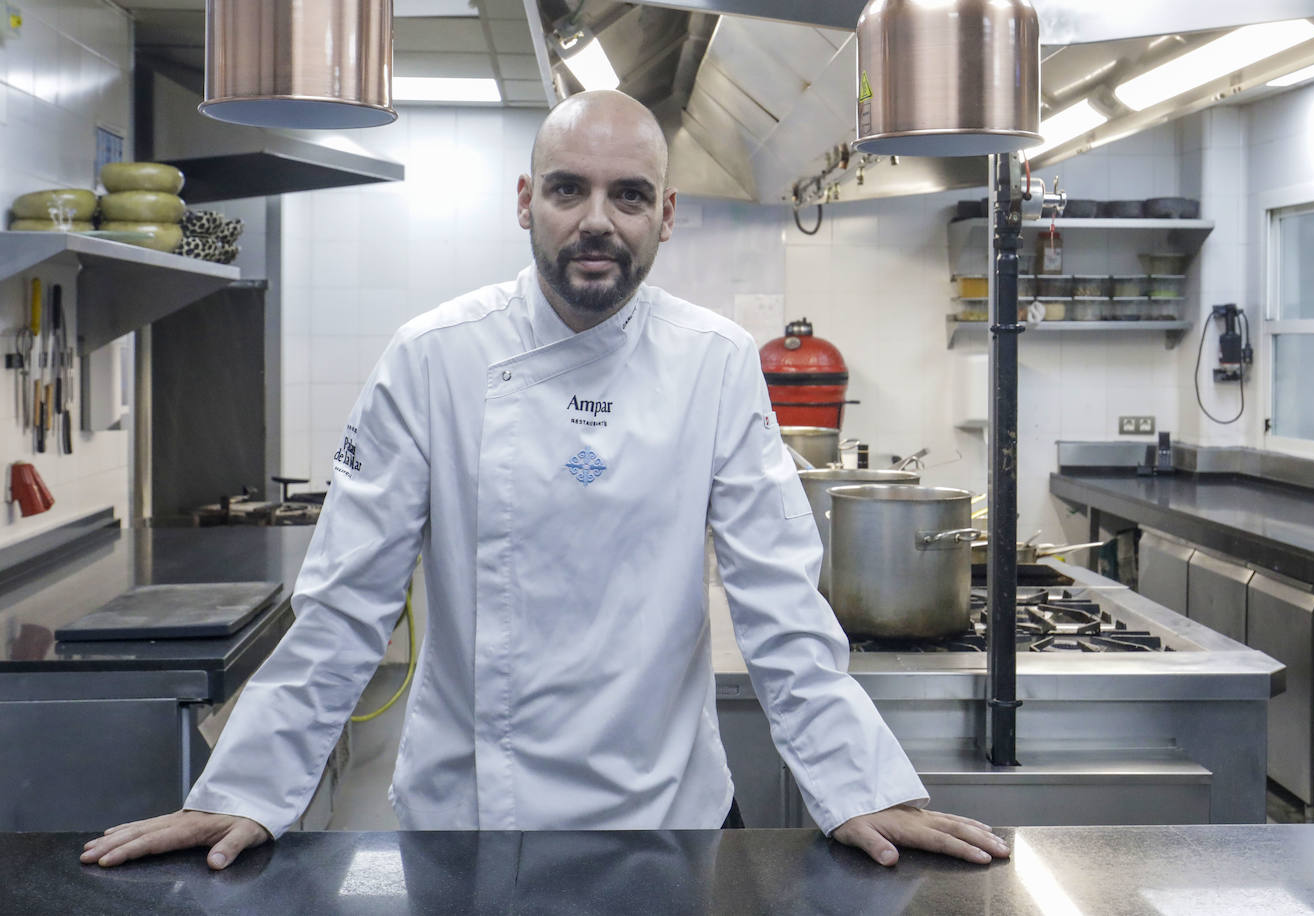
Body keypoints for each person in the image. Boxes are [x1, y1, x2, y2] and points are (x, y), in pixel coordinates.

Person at [81, 90, 1009, 873]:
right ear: (526, 201)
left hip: (672, 819)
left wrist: (862, 785)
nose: (596, 219)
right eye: (569, 189)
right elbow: (345, 603)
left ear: (667, 216)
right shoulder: (433, 358)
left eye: (629, 195)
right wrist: (246, 786)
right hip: (470, 823)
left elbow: (780, 602)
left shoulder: (715, 363)